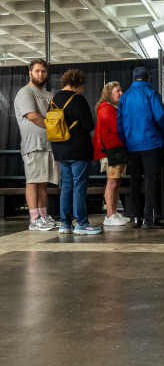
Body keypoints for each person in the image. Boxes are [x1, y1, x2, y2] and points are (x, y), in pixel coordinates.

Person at [117, 67, 164, 229]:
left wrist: (126, 141)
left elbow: (120, 123)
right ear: (148, 78)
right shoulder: (151, 94)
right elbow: (160, 117)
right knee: (151, 181)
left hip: (132, 145)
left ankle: (137, 218)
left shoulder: (125, 97)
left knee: (134, 181)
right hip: (151, 144)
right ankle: (150, 219)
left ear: (133, 79)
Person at [49, 69, 101, 235]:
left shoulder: (54, 100)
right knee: (79, 186)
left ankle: (65, 224)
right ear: (78, 83)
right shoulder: (78, 99)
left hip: (60, 149)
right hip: (78, 149)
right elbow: (88, 125)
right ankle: (81, 223)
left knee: (66, 185)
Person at [14, 58, 60, 231]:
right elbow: (33, 116)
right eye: (37, 71)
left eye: (43, 71)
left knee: (43, 182)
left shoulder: (49, 95)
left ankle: (43, 216)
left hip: (49, 145)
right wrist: (54, 128)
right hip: (33, 145)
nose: (40, 74)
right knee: (33, 181)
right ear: (30, 73)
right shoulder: (25, 92)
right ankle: (34, 219)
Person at [92, 81, 130, 226]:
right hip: (111, 151)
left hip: (117, 150)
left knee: (116, 182)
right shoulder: (106, 109)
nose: (121, 93)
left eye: (121, 90)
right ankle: (109, 215)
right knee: (112, 182)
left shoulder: (113, 108)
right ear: (109, 94)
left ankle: (114, 212)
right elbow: (117, 128)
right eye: (117, 91)